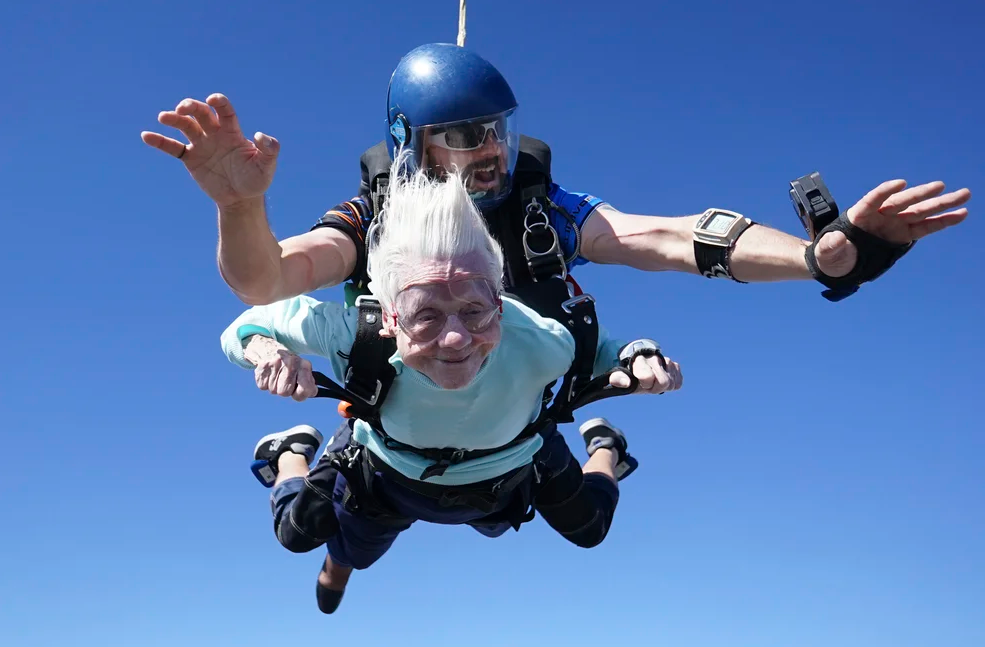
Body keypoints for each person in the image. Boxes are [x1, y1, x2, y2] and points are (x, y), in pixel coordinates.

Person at [219, 160, 683, 614]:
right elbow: (245, 325)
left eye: (475, 310)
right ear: (388, 318)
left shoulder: (541, 338)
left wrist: (640, 355)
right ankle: (292, 455)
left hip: (509, 469)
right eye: (426, 316)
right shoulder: (354, 334)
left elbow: (601, 345)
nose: (457, 338)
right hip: (387, 471)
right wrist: (268, 352)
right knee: (302, 536)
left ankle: (606, 450)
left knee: (590, 527)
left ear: (499, 304)